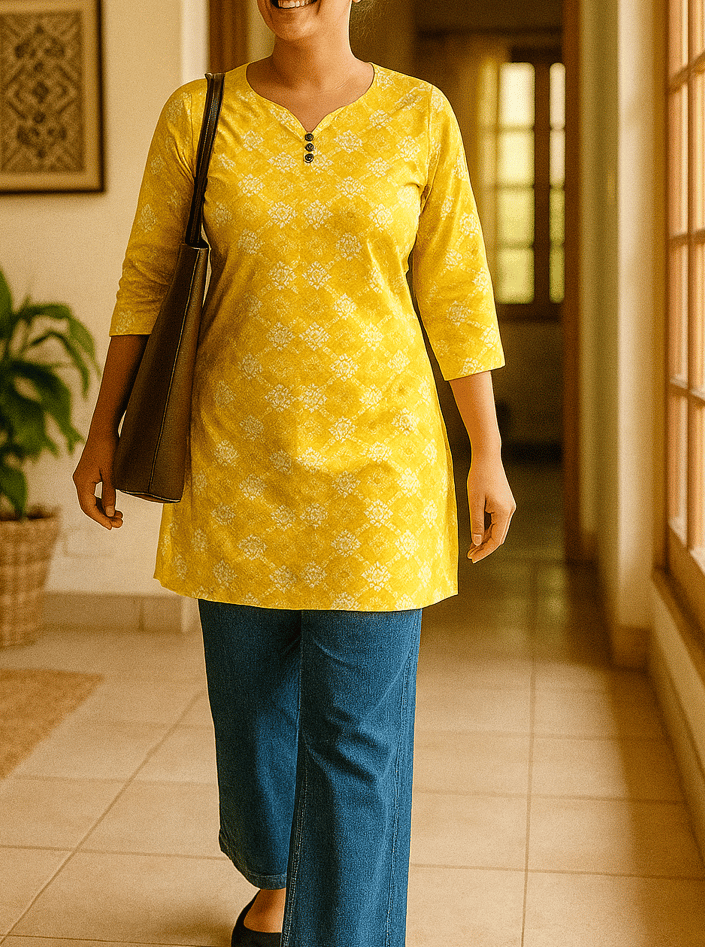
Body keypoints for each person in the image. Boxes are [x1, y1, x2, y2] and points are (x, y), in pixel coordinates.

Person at [73, 0, 516, 944]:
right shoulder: (199, 115)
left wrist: (487, 448)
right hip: (233, 463)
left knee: (356, 741)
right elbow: (149, 278)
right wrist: (103, 426)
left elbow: (457, 291)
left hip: (380, 475)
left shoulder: (420, 116)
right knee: (252, 711)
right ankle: (275, 877)